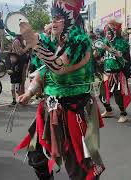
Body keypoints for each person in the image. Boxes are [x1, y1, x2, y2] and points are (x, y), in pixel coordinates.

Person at [14, 0, 105, 179]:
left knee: (81, 169)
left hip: (75, 111)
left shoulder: (81, 43)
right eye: (52, 18)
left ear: (71, 19)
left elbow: (58, 67)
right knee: (37, 157)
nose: (52, 22)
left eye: (58, 18)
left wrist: (35, 43)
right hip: (50, 108)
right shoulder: (52, 43)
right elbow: (42, 71)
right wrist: (30, 91)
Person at [97, 18, 131, 123]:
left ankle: (123, 114)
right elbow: (99, 55)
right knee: (101, 93)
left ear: (115, 32)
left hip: (117, 74)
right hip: (106, 73)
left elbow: (120, 55)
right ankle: (109, 111)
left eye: (110, 33)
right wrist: (97, 55)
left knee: (118, 95)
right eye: (106, 33)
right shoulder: (105, 42)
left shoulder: (121, 42)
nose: (107, 35)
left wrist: (107, 48)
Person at [7, 35, 29, 105]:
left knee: (18, 87)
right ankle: (19, 100)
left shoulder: (21, 42)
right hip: (17, 70)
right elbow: (20, 52)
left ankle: (21, 99)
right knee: (15, 88)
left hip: (20, 68)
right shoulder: (17, 41)